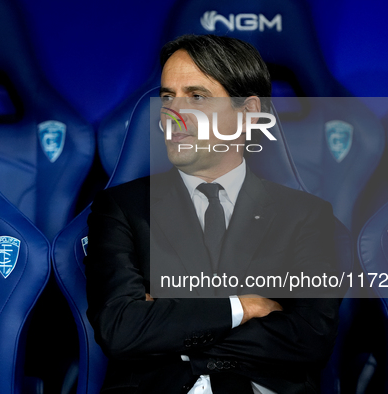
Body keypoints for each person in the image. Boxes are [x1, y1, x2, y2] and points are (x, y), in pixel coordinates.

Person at [85, 34, 340, 394]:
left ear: (249, 113)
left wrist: (170, 322)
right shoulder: (122, 209)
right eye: (167, 97)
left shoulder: (307, 216)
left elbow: (310, 340)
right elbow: (121, 330)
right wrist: (243, 306)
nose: (174, 114)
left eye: (197, 97)